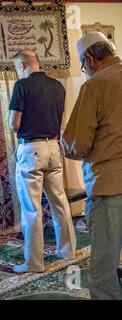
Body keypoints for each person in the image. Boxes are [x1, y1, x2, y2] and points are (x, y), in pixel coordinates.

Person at [61, 32, 122, 300]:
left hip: (111, 184)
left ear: (90, 59)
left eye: (83, 65)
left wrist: (64, 143)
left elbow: (78, 143)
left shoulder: (95, 85)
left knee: (103, 268)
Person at [8, 50, 76, 274]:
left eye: (18, 67)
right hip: (53, 147)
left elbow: (13, 123)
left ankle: (34, 263)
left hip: (31, 149)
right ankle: (68, 251)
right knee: (59, 202)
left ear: (22, 64)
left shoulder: (22, 86)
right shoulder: (57, 86)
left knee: (31, 209)